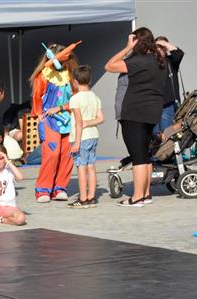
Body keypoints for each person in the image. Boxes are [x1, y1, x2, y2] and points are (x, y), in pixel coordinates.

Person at [105, 28, 166, 207]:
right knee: (145, 156)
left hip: (134, 113)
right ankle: (146, 194)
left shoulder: (137, 61)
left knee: (137, 156)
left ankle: (137, 197)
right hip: (152, 113)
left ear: (136, 42)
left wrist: (127, 48)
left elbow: (109, 66)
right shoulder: (159, 61)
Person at [31, 42, 79, 202]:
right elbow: (37, 97)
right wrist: (39, 116)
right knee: (51, 153)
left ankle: (60, 187)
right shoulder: (44, 75)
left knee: (67, 154)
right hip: (50, 120)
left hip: (69, 118)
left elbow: (76, 97)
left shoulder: (72, 74)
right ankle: (43, 189)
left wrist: (64, 107)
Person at [67, 65, 104, 208]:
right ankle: (91, 197)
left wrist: (76, 142)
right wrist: (90, 122)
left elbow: (78, 122)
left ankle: (82, 199)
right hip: (93, 135)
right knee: (91, 166)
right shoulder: (94, 97)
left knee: (81, 168)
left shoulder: (75, 99)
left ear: (75, 81)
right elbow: (101, 118)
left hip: (80, 138)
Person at [154, 36, 184, 134]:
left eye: (162, 46)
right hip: (152, 105)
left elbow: (179, 53)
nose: (160, 48)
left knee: (167, 135)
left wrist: (165, 43)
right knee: (154, 137)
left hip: (167, 104)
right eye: (158, 46)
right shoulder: (150, 62)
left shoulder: (171, 61)